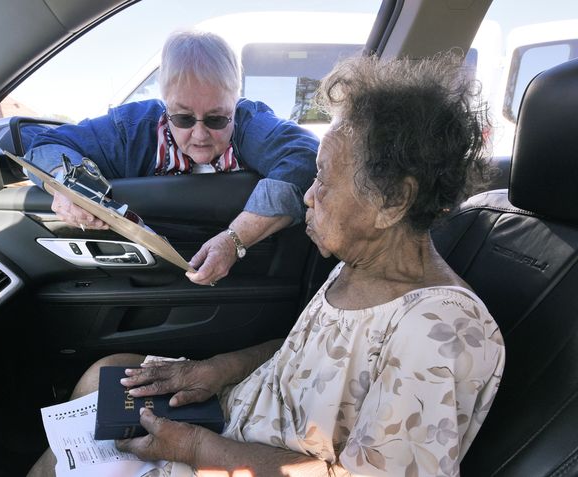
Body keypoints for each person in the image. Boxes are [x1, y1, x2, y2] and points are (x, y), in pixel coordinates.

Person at [28, 54, 505, 476]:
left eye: (324, 181)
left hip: (241, 456)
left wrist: (197, 448)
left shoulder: (440, 330)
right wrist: (217, 369)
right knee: (106, 376)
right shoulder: (362, 265)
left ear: (394, 200)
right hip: (242, 416)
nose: (308, 197)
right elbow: (307, 354)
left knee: (71, 455)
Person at [25, 30, 318, 286]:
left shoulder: (249, 122)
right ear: (165, 104)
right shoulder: (132, 129)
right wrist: (65, 185)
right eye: (183, 117)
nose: (200, 134)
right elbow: (46, 145)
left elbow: (305, 157)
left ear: (235, 103)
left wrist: (233, 241)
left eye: (216, 119)